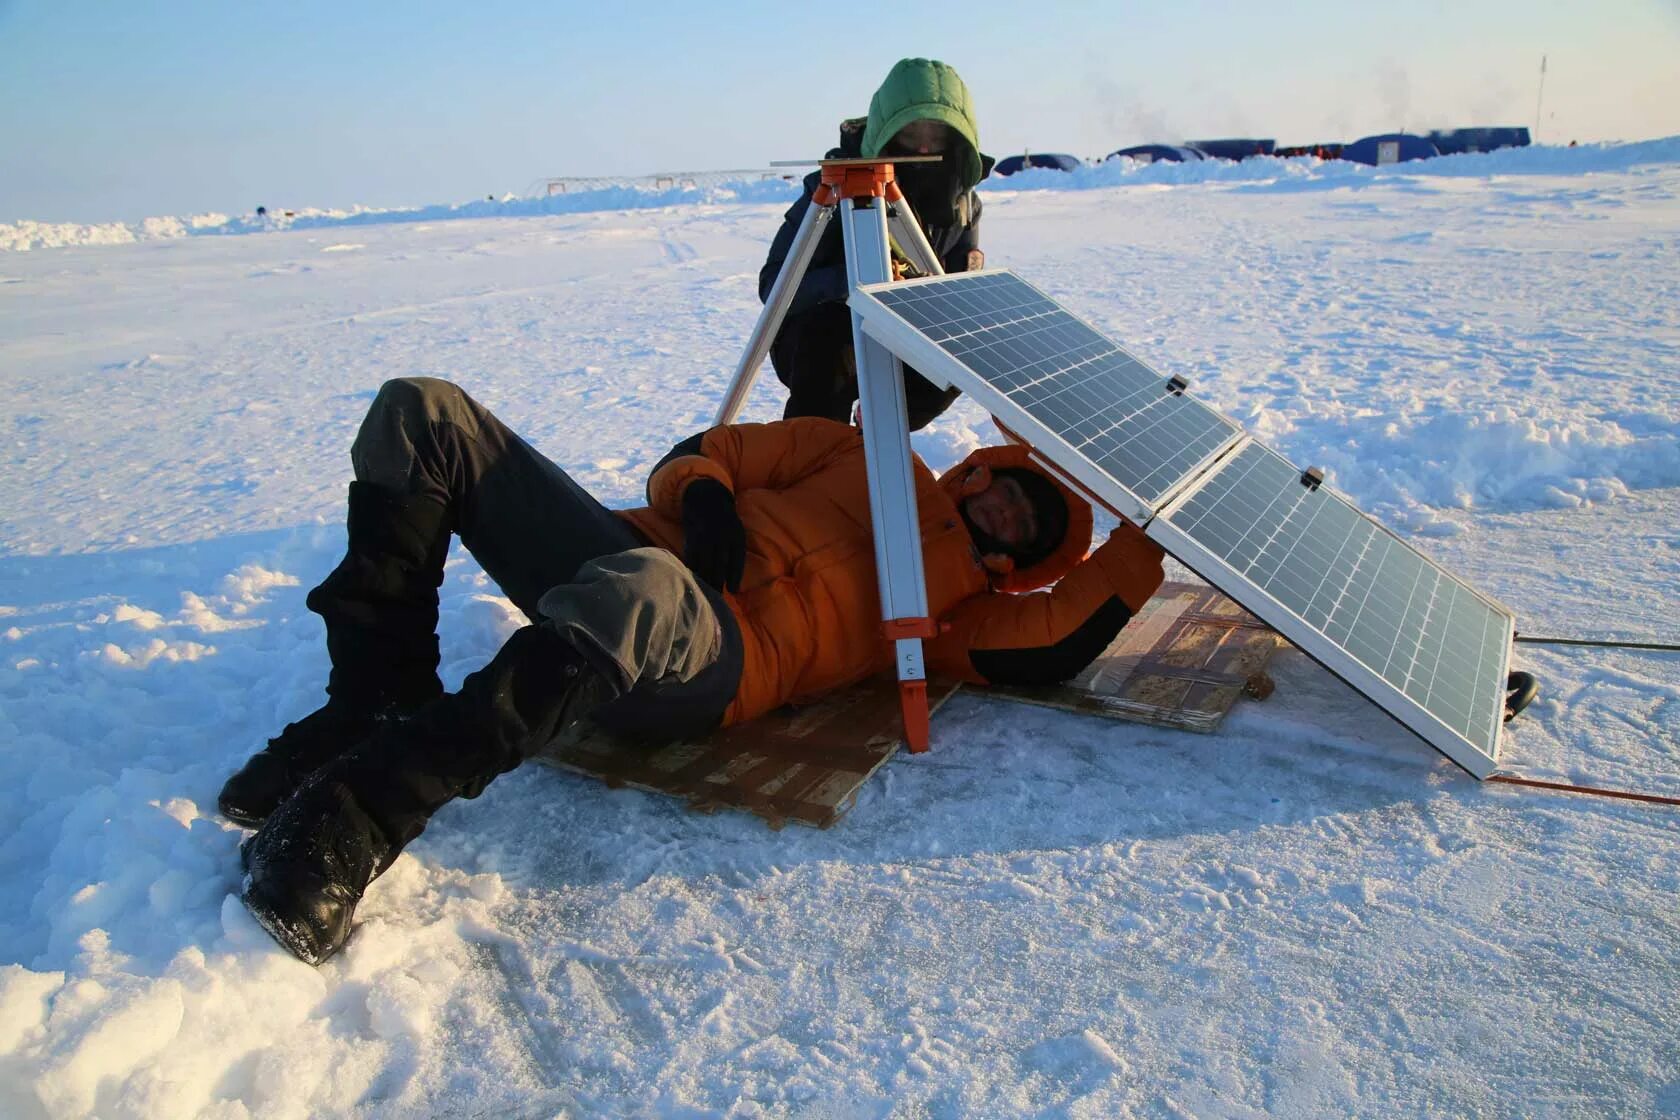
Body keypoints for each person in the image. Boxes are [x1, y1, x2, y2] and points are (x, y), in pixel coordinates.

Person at [229, 377, 1165, 964]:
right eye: (1010, 492)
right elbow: (708, 453)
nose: (1006, 512)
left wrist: (1153, 531)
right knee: (422, 414)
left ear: (1023, 558)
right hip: (621, 557)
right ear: (984, 472)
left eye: (1027, 525)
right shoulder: (863, 451)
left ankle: (355, 815)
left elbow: (1052, 643)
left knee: (649, 592)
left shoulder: (959, 615)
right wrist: (707, 496)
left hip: (712, 663)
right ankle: (373, 701)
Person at [759, 57, 995, 431]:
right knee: (827, 342)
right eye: (913, 132)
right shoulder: (834, 189)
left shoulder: (962, 204)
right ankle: (810, 461)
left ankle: (876, 432)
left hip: (909, 335)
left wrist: (917, 291)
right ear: (887, 131)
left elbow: (959, 294)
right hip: (820, 342)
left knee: (960, 360)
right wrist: (856, 279)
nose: (923, 148)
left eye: (936, 134)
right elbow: (773, 287)